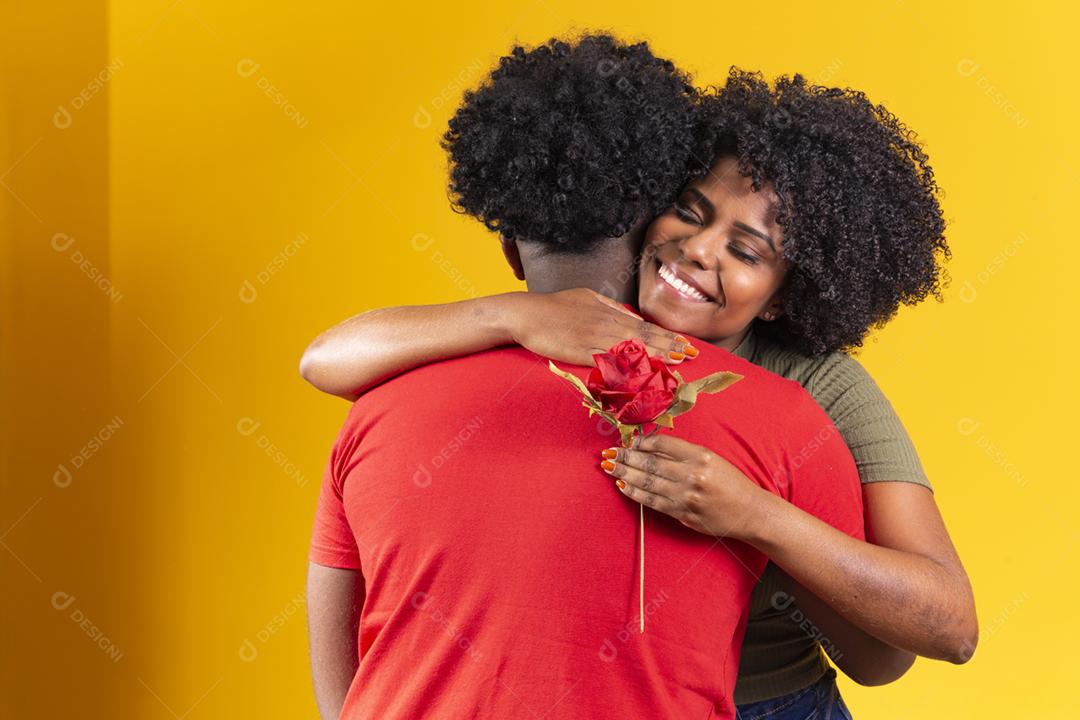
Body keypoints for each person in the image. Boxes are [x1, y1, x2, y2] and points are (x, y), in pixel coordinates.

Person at [302, 37, 977, 718]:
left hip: (768, 700)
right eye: (689, 209)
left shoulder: (813, 395)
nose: (699, 248)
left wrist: (752, 514)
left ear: (782, 297)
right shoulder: (552, 334)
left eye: (746, 251)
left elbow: (906, 645)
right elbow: (326, 359)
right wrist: (519, 315)